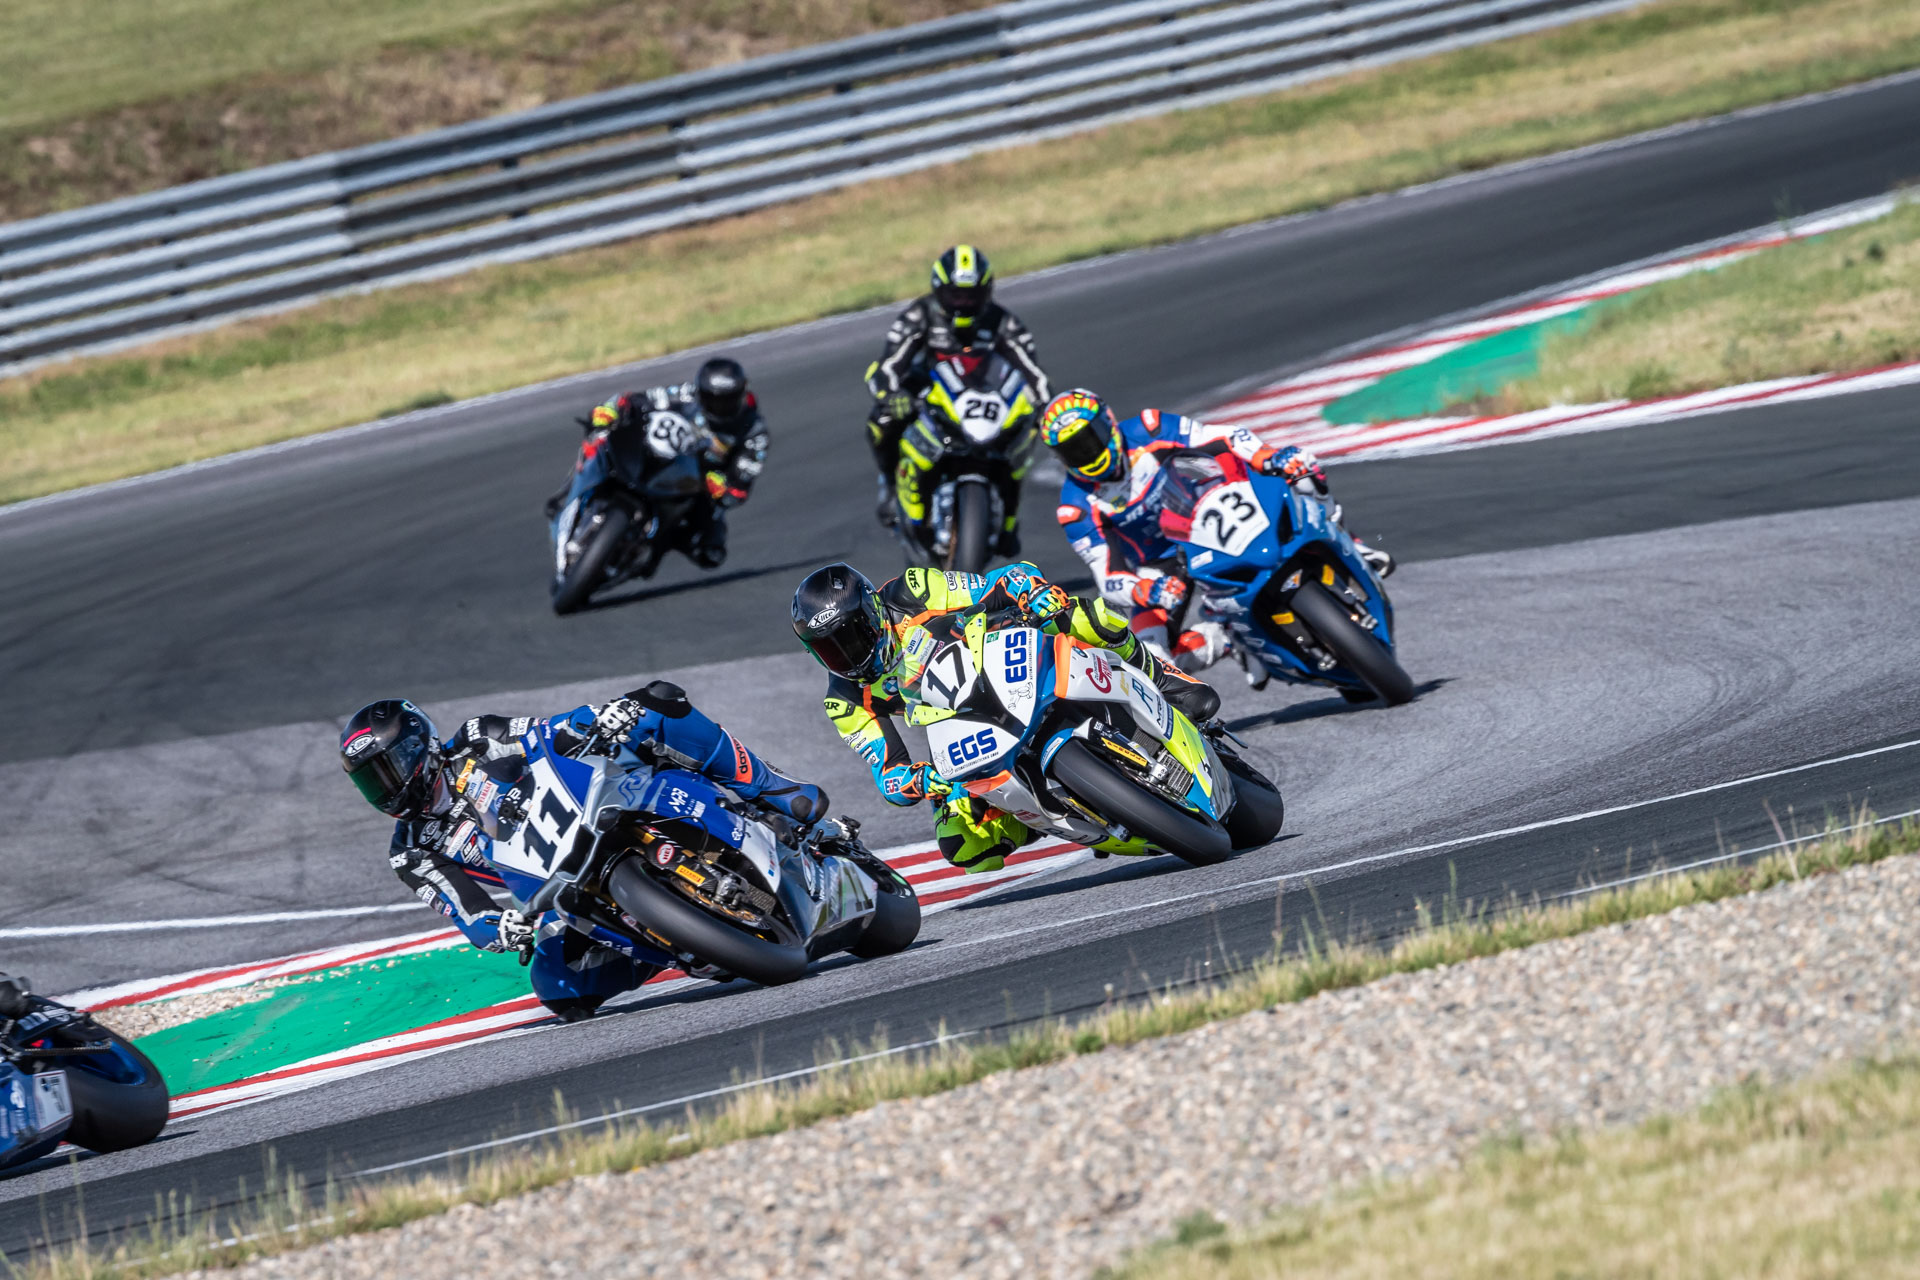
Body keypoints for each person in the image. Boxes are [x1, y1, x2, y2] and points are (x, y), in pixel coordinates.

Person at [339, 688, 825, 1021]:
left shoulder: (477, 739)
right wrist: (500, 928)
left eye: (389, 768)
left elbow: (548, 732)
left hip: (598, 806)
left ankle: (773, 788)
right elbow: (466, 911)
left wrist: (596, 720)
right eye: (370, 781)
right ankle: (674, 940)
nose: (386, 788)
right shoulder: (410, 851)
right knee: (556, 985)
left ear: (419, 746)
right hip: (556, 884)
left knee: (656, 704)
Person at [791, 561, 1219, 875]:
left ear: (872, 611)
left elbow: (998, 582)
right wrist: (917, 781)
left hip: (998, 656)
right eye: (831, 649)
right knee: (963, 847)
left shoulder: (913, 590)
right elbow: (888, 774)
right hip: (958, 727)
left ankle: (1163, 676)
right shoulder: (844, 701)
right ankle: (1045, 816)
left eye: (854, 635)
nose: (849, 656)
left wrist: (1030, 591)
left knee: (1083, 616)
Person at [1043, 389, 1394, 688]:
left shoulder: (1149, 427)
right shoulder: (1074, 507)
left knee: (1300, 465)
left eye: (1089, 439)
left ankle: (1352, 543)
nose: (1087, 454)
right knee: (1149, 660)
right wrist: (1146, 590)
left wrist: (1266, 457)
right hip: (1162, 564)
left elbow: (1223, 436)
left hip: (1206, 510)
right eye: (1074, 450)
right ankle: (1227, 638)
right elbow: (1107, 577)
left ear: (1108, 423)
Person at [864, 245, 1051, 532]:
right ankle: (891, 484)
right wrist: (891, 395)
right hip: (929, 390)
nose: (964, 303)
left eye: (972, 295)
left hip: (985, 395)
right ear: (939, 290)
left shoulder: (1003, 322)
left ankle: (1009, 518)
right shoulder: (919, 315)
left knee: (1027, 428)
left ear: (987, 292)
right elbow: (887, 366)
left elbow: (1034, 373)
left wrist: (1047, 407)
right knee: (883, 420)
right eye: (956, 295)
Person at [547, 356, 768, 568]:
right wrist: (611, 410)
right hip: (658, 456)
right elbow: (635, 399)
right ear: (701, 392)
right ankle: (571, 491)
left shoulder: (754, 434)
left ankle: (652, 549)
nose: (720, 407)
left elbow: (740, 490)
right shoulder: (685, 394)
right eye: (713, 400)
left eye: (728, 401)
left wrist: (722, 487)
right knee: (601, 437)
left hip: (698, 487)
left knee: (711, 552)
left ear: (742, 394)